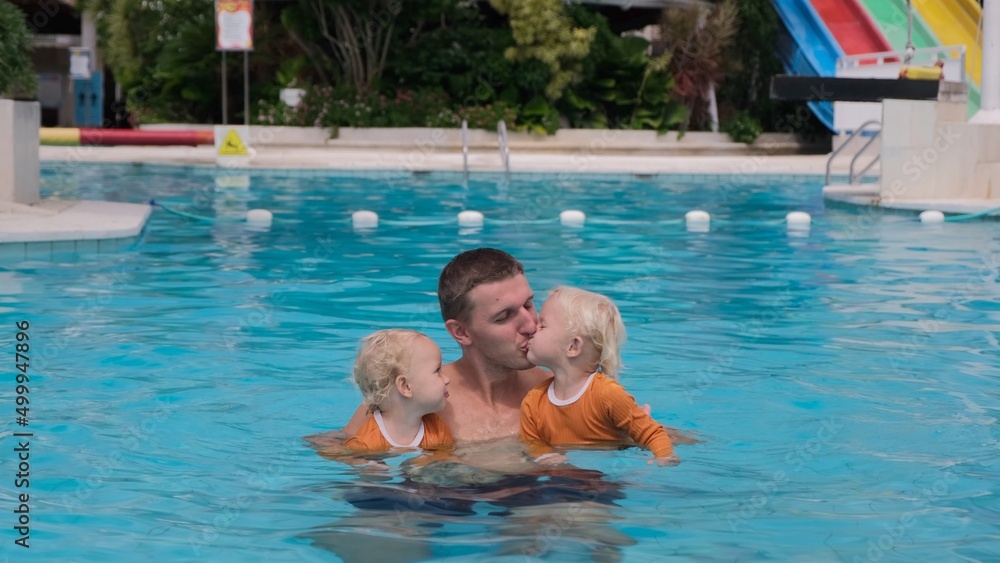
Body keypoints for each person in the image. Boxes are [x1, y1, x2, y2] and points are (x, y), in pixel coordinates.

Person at [342, 247, 549, 443]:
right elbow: (342, 454)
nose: (531, 325)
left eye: (528, 304)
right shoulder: (413, 396)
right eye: (504, 316)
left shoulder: (560, 394)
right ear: (461, 332)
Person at [520, 286, 679, 466]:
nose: (533, 329)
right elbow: (532, 442)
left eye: (542, 325)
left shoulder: (607, 394)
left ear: (573, 347)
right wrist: (543, 455)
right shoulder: (533, 403)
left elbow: (652, 433)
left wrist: (664, 456)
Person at [342, 329, 453, 452]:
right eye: (437, 370)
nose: (447, 379)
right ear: (405, 386)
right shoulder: (366, 443)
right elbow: (353, 460)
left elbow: (446, 460)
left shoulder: (438, 430)